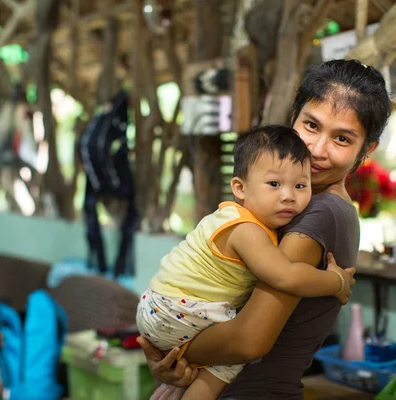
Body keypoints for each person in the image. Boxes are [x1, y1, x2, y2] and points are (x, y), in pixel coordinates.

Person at [138, 59, 394, 399]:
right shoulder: (286, 208)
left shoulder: (319, 212)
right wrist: (169, 356)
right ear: (294, 118)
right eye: (311, 126)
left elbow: (249, 340)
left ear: (367, 149)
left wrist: (170, 350)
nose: (317, 150)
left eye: (342, 138)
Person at [136, 125, 356, 400]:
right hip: (178, 309)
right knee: (233, 354)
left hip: (161, 306)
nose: (288, 195)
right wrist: (335, 281)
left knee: (222, 357)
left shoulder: (232, 217)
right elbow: (286, 276)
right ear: (239, 188)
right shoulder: (246, 229)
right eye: (274, 184)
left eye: (300, 185)